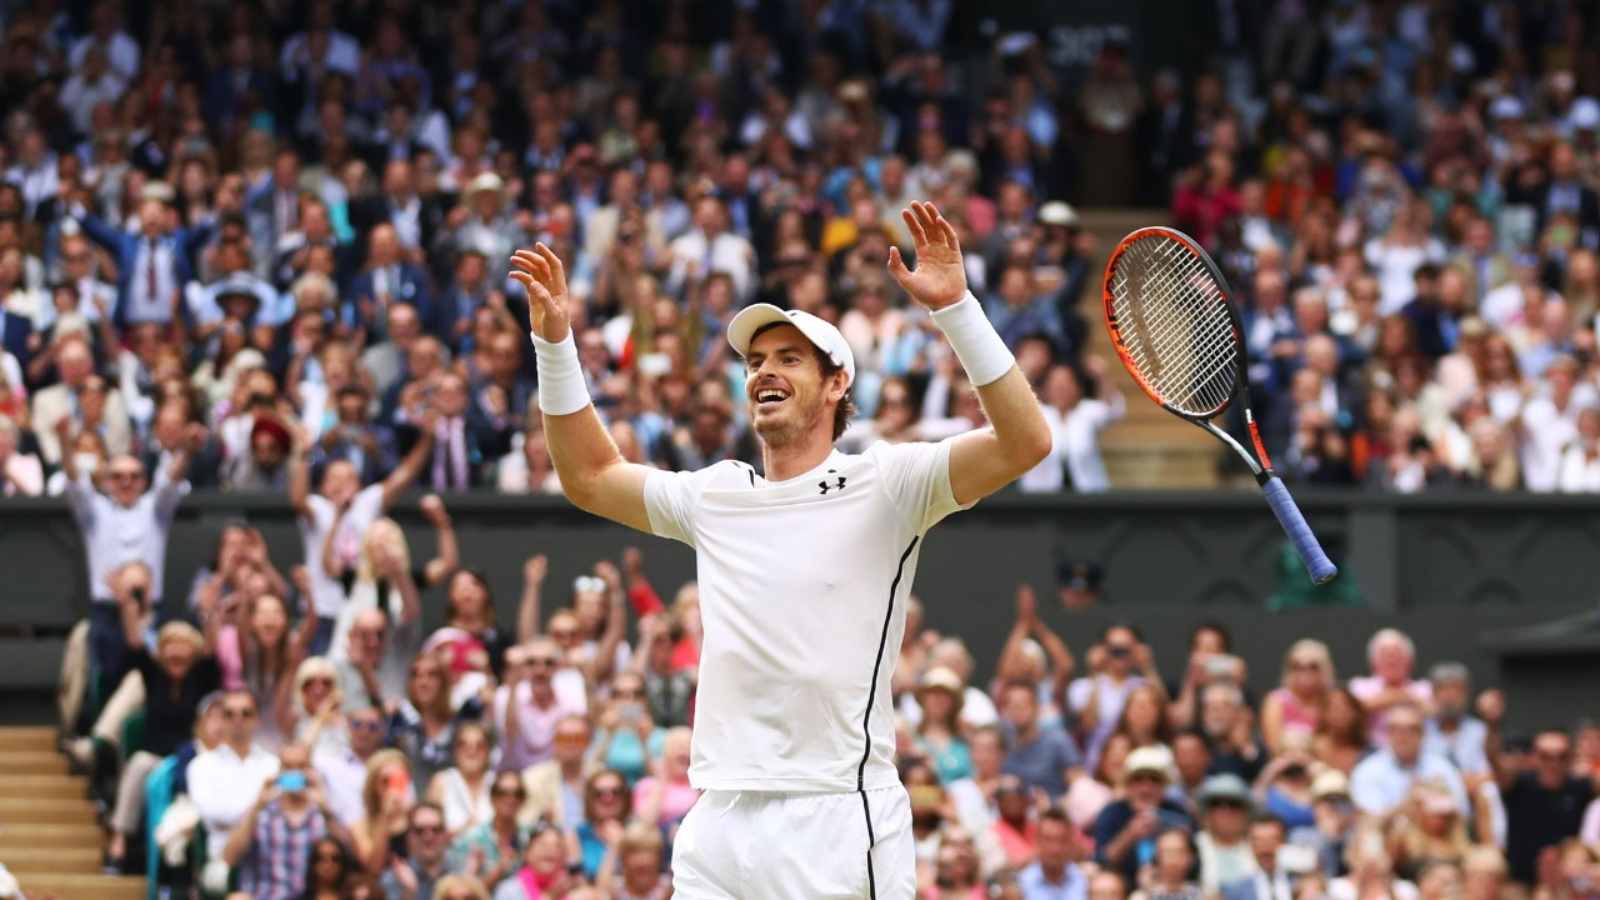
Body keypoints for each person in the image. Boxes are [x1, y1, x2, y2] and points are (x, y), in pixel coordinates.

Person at [511, 201, 1052, 897]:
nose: (764, 369)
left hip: (836, 817)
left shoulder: (889, 482)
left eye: (789, 358)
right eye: (756, 359)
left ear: (836, 385)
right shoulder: (715, 495)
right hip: (720, 818)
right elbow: (588, 478)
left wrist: (958, 313)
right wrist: (555, 346)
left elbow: (1025, 442)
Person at [63, 428, 196, 681]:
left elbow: (170, 482)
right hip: (106, 615)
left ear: (144, 482)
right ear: (106, 481)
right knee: (105, 687)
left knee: (153, 684)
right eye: (118, 476)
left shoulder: (155, 511)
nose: (127, 482)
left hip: (150, 613)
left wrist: (187, 451)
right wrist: (63, 439)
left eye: (135, 476)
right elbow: (76, 482)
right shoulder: (96, 511)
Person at [287, 421, 431, 655]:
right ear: (323, 486)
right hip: (321, 611)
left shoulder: (367, 503)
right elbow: (297, 500)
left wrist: (427, 438)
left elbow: (404, 477)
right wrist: (303, 454)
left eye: (348, 479)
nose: (341, 485)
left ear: (359, 484)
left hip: (360, 611)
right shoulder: (319, 508)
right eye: (334, 479)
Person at [221, 743, 347, 900]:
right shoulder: (261, 812)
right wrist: (257, 808)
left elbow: (348, 857)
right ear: (279, 771)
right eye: (288, 767)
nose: (294, 772)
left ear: (311, 771)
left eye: (301, 766)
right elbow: (230, 858)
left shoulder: (322, 813)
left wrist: (325, 808)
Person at [188, 689, 282, 861]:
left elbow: (280, 811)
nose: (238, 720)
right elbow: (214, 814)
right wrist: (258, 806)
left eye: (246, 713)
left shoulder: (273, 764)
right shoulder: (202, 765)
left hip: (271, 851)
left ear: (257, 720)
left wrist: (243, 811)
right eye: (229, 714)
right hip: (223, 855)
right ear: (221, 720)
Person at [1498, 729, 1594, 885]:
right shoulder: (1518, 786)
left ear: (1571, 758)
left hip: (1569, 885)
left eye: (1561, 757)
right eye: (1546, 756)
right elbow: (1494, 762)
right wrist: (1493, 726)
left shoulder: (1581, 787)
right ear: (1533, 757)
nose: (1554, 764)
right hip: (1521, 883)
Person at [1091, 746, 1197, 885]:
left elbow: (1196, 863)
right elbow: (1100, 862)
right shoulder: (1112, 813)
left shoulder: (1177, 813)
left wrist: (1168, 830)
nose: (1146, 788)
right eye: (1138, 780)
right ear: (1127, 785)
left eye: (1154, 780)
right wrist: (1129, 835)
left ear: (1164, 786)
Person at [1350, 703, 1469, 819]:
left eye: (1411, 729)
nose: (1403, 736)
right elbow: (1370, 821)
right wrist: (1408, 805)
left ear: (1423, 734)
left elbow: (1462, 812)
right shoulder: (1368, 770)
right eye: (1396, 729)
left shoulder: (1441, 767)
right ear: (1387, 734)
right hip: (1386, 837)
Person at [446, 770, 536, 891]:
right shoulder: (471, 840)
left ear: (523, 799)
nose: (510, 799)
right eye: (502, 793)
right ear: (492, 798)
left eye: (517, 793)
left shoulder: (532, 839)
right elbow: (462, 893)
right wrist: (497, 872)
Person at [1000, 679, 1083, 797]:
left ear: (1036, 708)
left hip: (1054, 811)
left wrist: (1055, 807)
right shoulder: (1002, 744)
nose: (1017, 711)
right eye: (1012, 706)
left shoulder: (1058, 741)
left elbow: (1080, 786)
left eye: (1022, 705)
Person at [1195, 775, 1257, 893]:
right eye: (1217, 804)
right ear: (1206, 813)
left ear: (1246, 813)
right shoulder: (1192, 847)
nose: (1226, 811)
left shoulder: (1259, 847)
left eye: (1234, 804)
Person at [380, 802, 455, 899]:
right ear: (409, 837)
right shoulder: (393, 879)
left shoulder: (462, 873)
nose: (428, 837)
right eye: (419, 831)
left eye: (436, 830)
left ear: (446, 835)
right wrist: (408, 893)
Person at [1017, 806, 1087, 900]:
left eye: (1061, 840)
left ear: (1071, 842)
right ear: (1037, 841)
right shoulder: (1020, 885)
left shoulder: (1086, 882)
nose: (1055, 849)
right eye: (1048, 840)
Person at [1220, 815, 1292, 900]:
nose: (1265, 847)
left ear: (1283, 842)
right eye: (1258, 841)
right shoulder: (1235, 889)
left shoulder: (1299, 882)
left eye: (1272, 840)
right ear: (1249, 844)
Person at [1130, 829, 1203, 900]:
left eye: (1179, 852)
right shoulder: (1143, 896)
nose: (1173, 859)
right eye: (1167, 852)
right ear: (1157, 856)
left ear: (1190, 857)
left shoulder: (1202, 895)